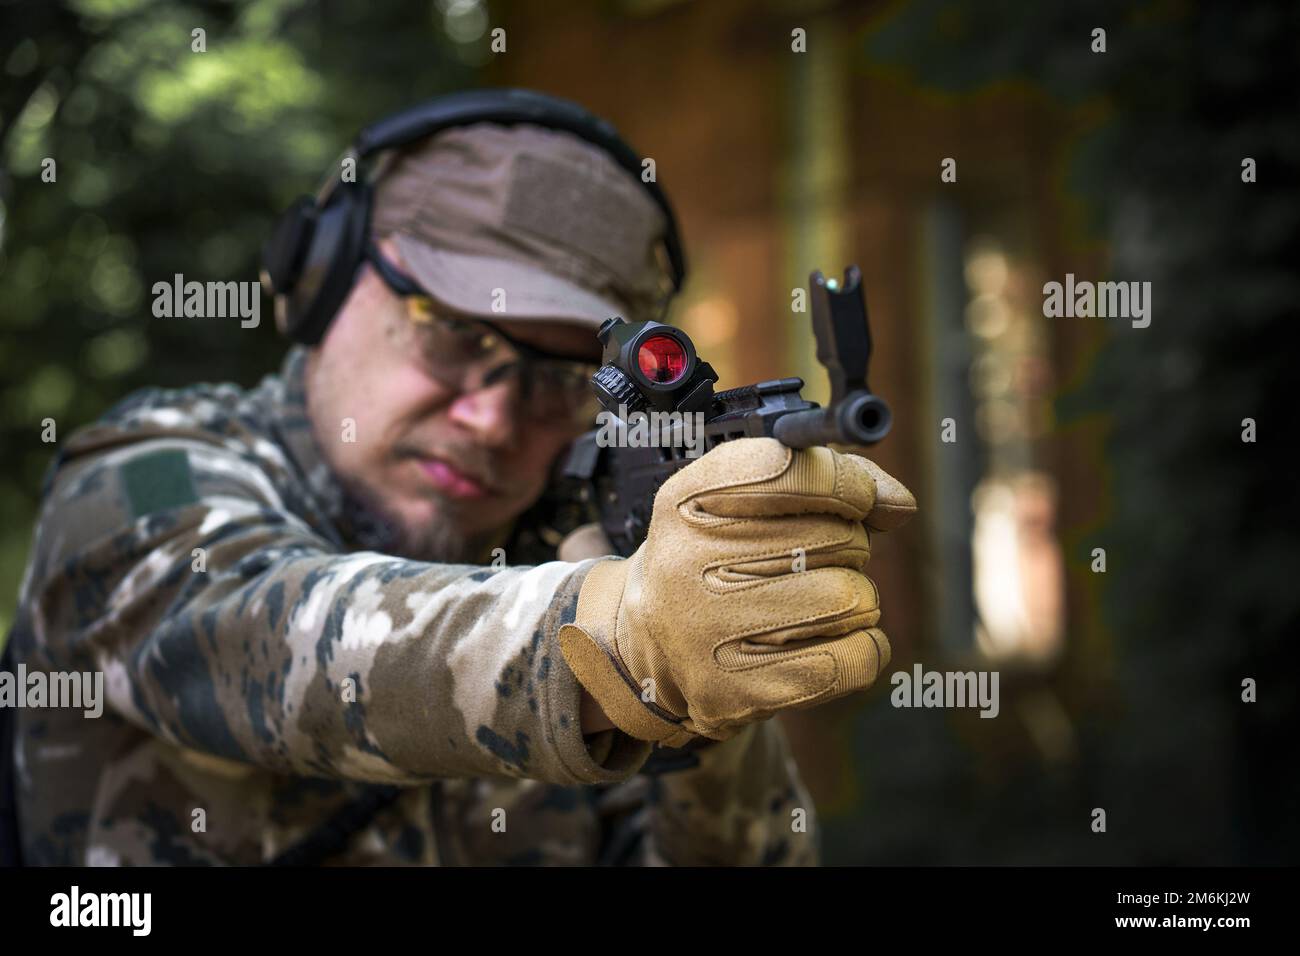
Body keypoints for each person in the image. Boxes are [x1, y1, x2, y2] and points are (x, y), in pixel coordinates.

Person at [1, 89, 914, 865]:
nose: (493, 418)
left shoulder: (582, 543)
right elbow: (261, 636)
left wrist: (703, 696)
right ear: (319, 280)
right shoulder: (145, 481)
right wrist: (609, 630)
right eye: (455, 332)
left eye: (562, 379)